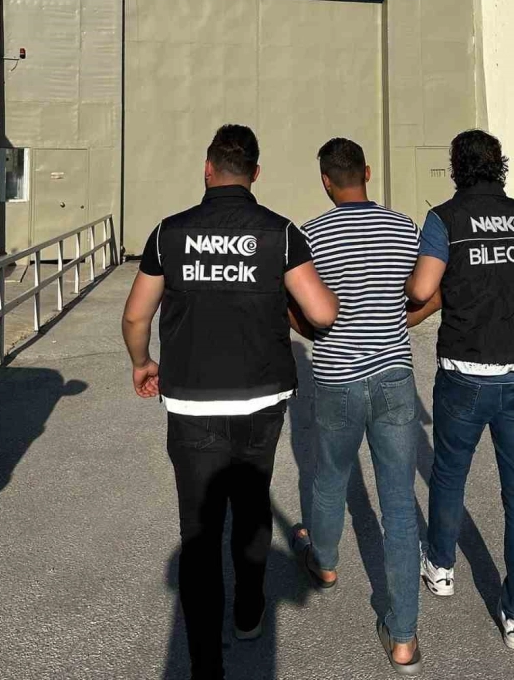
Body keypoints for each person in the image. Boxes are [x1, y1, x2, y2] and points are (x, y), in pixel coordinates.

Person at [121, 124, 338, 680]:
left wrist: (143, 363)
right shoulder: (280, 233)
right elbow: (321, 313)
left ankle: (205, 665)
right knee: (251, 506)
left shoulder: (169, 234)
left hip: (191, 404)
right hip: (261, 402)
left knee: (198, 534)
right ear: (255, 174)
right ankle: (247, 612)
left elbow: (136, 315)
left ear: (207, 168)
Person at [406, 130, 514, 652]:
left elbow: (421, 290)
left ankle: (441, 568)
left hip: (465, 375)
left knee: (449, 475)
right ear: (500, 166)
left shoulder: (445, 219)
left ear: (456, 167)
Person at [290, 138, 440, 677]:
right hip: (394, 377)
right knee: (398, 503)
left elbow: (296, 308)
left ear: (326, 181)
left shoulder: (310, 234)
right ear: (368, 173)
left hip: (336, 376)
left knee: (330, 477)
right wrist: (399, 322)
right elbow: (429, 293)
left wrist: (314, 332)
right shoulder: (404, 227)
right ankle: (403, 638)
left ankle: (326, 565)